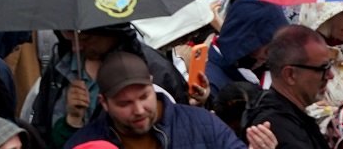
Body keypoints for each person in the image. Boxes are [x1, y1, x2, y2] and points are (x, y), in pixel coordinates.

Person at [64, 51, 244, 149]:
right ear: (104, 103)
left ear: (152, 84)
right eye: (124, 103)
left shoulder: (203, 124)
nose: (139, 109)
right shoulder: (86, 143)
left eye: (144, 96)